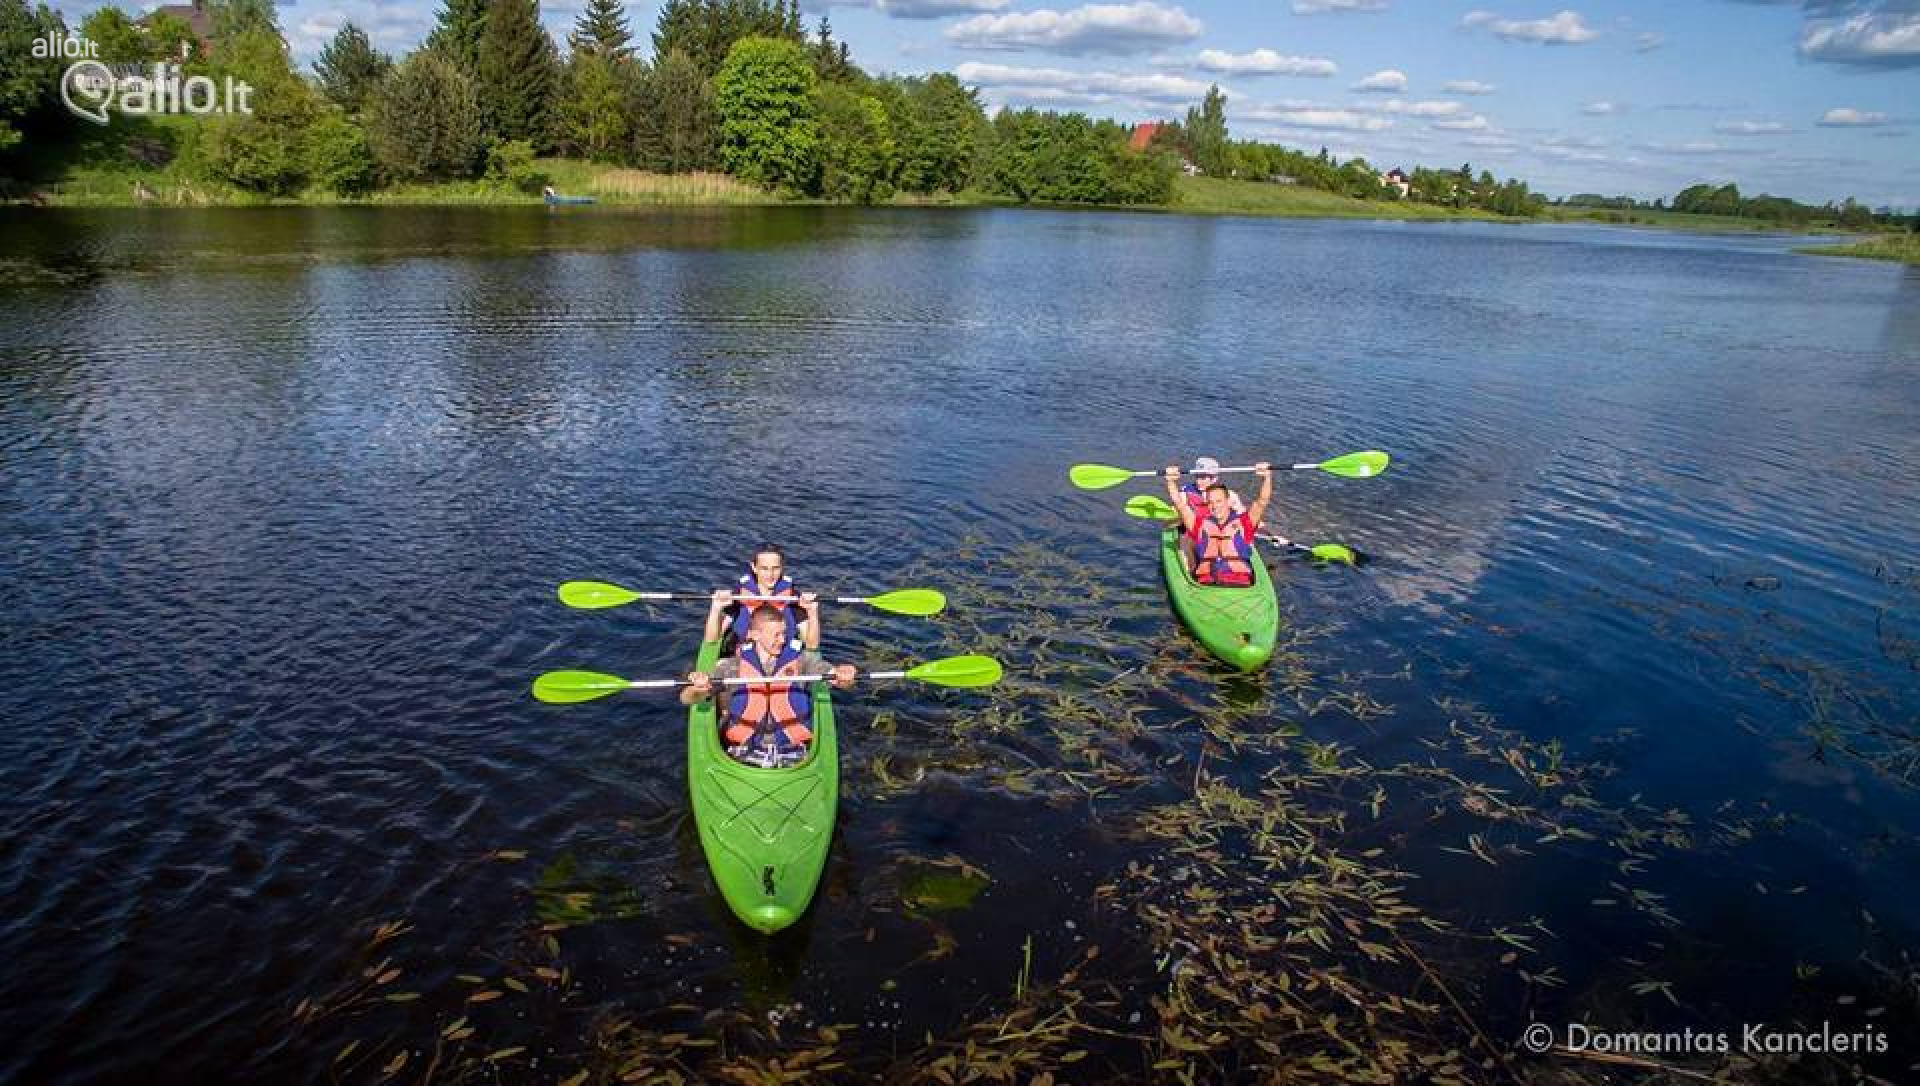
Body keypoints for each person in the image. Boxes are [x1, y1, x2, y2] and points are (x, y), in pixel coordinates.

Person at [683, 604, 856, 767]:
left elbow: (837, 679)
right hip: (744, 751)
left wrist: (843, 675)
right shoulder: (731, 666)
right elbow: (687, 699)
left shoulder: (802, 660)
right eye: (776, 635)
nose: (782, 640)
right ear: (755, 635)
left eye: (784, 633)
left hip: (793, 751)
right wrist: (697, 688)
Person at [1164, 461, 1274, 586]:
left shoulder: (1245, 523)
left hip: (1240, 584)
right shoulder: (1199, 525)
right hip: (1206, 584)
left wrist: (1267, 477)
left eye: (1219, 501)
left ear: (1228, 501)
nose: (1214, 506)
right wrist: (1171, 481)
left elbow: (1262, 501)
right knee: (1186, 540)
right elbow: (1179, 504)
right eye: (1210, 502)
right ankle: (1189, 573)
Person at [710, 544, 818, 652]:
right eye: (764, 568)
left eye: (775, 568)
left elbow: (812, 646)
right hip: (744, 657)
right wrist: (716, 609)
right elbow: (712, 640)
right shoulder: (739, 596)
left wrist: (812, 612)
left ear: (782, 567)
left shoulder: (793, 598)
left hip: (781, 658)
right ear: (754, 567)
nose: (770, 575)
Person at [1177, 456, 1246, 518]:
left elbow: (1243, 514)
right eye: (1197, 476)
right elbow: (1180, 509)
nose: (1198, 481)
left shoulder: (1229, 495)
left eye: (1203, 478)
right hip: (1194, 526)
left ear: (1214, 479)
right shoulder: (1186, 491)